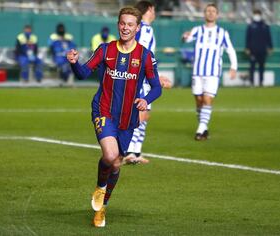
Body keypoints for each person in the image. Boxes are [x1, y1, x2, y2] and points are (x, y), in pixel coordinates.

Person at [67, 6, 162, 227]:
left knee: (117, 165)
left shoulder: (145, 56)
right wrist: (74, 64)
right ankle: (100, 187)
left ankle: (102, 209)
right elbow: (83, 74)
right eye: (122, 23)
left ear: (138, 28)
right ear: (117, 24)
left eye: (130, 24)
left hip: (128, 118)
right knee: (110, 156)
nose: (125, 28)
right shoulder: (105, 49)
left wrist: (146, 100)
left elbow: (157, 87)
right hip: (104, 110)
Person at [123, 0, 172, 164]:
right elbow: (138, 55)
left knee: (145, 114)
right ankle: (129, 151)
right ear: (149, 9)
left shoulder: (143, 29)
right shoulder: (143, 29)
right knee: (140, 114)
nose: (155, 12)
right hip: (139, 79)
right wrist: (156, 77)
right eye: (153, 9)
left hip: (142, 78)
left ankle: (136, 152)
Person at [182, 3, 237, 141]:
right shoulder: (197, 30)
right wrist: (185, 36)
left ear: (217, 15)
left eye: (213, 11)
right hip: (197, 71)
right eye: (208, 11)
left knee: (207, 99)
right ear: (204, 14)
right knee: (199, 101)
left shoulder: (222, 33)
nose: (211, 13)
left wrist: (233, 67)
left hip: (213, 72)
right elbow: (186, 39)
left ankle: (200, 129)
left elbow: (230, 50)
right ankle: (204, 127)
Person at [245, 9, 273, 86]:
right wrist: (247, 48)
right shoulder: (250, 26)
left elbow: (268, 37)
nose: (256, 16)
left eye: (257, 14)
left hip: (262, 50)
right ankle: (251, 82)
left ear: (260, 15)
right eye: (255, 14)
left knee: (262, 67)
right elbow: (248, 38)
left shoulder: (265, 25)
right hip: (253, 50)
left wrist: (270, 47)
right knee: (252, 67)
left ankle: (261, 82)